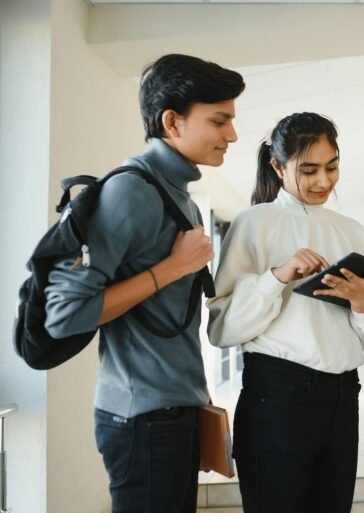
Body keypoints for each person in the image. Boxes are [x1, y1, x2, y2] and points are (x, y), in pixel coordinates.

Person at [43, 54, 244, 512]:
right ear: (172, 122)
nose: (232, 135)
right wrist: (172, 268)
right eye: (220, 121)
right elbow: (65, 315)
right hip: (143, 419)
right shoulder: (131, 191)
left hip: (171, 411)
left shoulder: (176, 193)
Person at [206, 112, 364, 513]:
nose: (324, 181)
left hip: (343, 396)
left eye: (332, 166)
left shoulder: (352, 229)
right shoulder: (253, 223)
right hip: (277, 398)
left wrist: (363, 303)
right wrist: (278, 276)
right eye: (308, 170)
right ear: (278, 167)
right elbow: (222, 329)